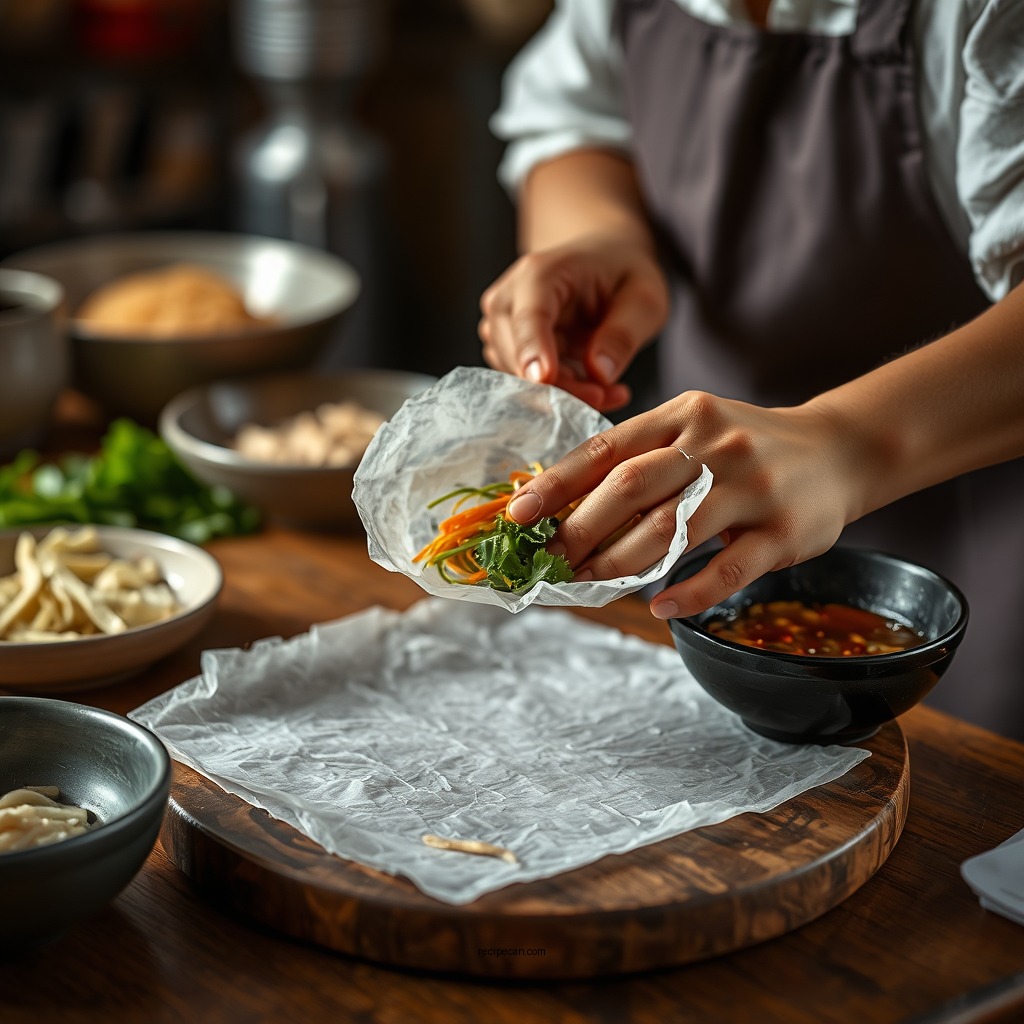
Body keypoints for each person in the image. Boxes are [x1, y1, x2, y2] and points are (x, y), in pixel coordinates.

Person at [476, 0, 1024, 737]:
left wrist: (845, 441)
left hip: (988, 556)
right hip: (709, 540)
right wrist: (599, 233)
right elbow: (578, 118)